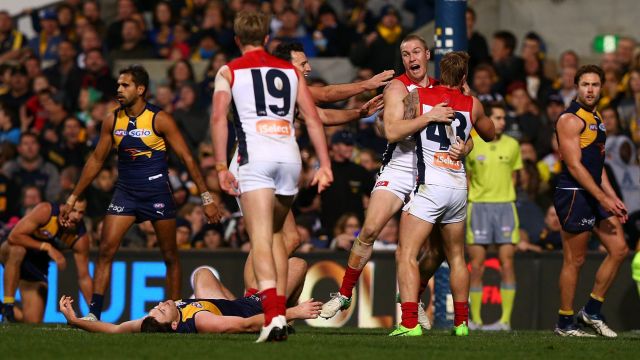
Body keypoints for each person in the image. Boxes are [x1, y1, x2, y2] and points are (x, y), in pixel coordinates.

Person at [320, 35, 466, 325]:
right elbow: (392, 131)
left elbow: (468, 131)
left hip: (435, 168)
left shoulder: (443, 88)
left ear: (427, 54)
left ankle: (414, 294)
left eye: (416, 52)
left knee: (437, 250)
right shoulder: (398, 87)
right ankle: (345, 292)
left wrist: (465, 147)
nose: (411, 58)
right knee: (371, 228)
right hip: (401, 165)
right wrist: (429, 117)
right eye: (405, 54)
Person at [60, 64, 221, 322]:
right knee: (105, 250)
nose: (119, 90)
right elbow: (96, 161)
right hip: (125, 193)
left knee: (170, 256)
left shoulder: (160, 119)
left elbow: (188, 158)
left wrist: (206, 197)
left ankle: (173, 315)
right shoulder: (112, 120)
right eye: (118, 85)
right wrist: (72, 197)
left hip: (157, 192)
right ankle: (94, 313)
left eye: (125, 85)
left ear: (141, 89)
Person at [211, 11, 332, 342]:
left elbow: (219, 119)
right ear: (266, 38)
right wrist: (324, 163)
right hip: (289, 158)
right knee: (279, 235)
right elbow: (312, 118)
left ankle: (274, 315)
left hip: (256, 157)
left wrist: (221, 166)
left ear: (237, 40)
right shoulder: (291, 71)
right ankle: (276, 313)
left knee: (261, 238)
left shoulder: (229, 70)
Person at [392, 51, 495, 337]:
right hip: (458, 186)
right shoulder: (472, 104)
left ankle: (410, 324)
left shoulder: (421, 95)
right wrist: (470, 101)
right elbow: (490, 133)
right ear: (463, 77)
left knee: (407, 254)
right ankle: (461, 324)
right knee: (457, 258)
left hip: (430, 186)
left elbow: (396, 130)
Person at [553, 65, 629, 338]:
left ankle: (592, 311)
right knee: (576, 259)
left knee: (619, 248)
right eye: (585, 84)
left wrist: (611, 197)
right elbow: (574, 166)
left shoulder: (596, 116)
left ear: (602, 88)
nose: (590, 89)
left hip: (594, 192)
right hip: (575, 192)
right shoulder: (570, 119)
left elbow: (598, 165)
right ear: (577, 86)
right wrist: (601, 197)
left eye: (595, 85)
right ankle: (564, 323)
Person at [58, 259, 321, 333]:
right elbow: (245, 324)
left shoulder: (152, 323)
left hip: (226, 304)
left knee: (203, 273)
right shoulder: (201, 321)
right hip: (253, 307)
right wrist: (293, 312)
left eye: (155, 307)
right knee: (296, 264)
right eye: (162, 309)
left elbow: (114, 330)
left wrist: (75, 320)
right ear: (174, 324)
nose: (159, 304)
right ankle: (287, 322)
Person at [465, 101, 523, 331]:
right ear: (487, 120)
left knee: (507, 264)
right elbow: (467, 178)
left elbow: (514, 178)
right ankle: (476, 321)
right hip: (478, 207)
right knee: (477, 266)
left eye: (503, 118)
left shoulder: (513, 145)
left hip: (505, 208)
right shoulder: (473, 143)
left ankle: (505, 321)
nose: (501, 122)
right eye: (497, 118)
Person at [0, 198, 92, 323]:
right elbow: (14, 236)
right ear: (63, 207)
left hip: (38, 265)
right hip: (11, 251)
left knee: (32, 322)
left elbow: (84, 277)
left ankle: (5, 310)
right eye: (74, 210)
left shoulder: (80, 238)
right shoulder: (46, 211)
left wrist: (94, 312)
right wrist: (47, 247)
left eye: (81, 213)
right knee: (18, 250)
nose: (76, 216)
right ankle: (8, 305)